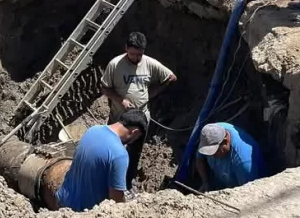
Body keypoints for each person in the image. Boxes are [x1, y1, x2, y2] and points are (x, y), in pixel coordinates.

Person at [100, 31, 177, 190]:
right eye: (132, 54)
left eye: (139, 55)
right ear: (126, 48)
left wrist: (153, 92)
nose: (135, 58)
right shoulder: (115, 64)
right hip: (118, 119)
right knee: (112, 150)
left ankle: (126, 184)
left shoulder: (149, 63)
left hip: (140, 121)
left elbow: (171, 77)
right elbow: (105, 88)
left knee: (134, 153)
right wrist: (121, 100)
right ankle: (107, 181)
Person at [56, 109, 148, 212]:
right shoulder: (120, 154)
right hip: (83, 212)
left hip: (63, 200)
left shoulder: (93, 129)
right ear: (134, 132)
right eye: (137, 138)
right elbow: (116, 200)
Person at [195, 122, 265, 191]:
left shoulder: (243, 162)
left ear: (226, 142)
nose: (212, 156)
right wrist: (205, 182)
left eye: (214, 151)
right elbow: (199, 159)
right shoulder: (211, 134)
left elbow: (248, 193)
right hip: (222, 179)